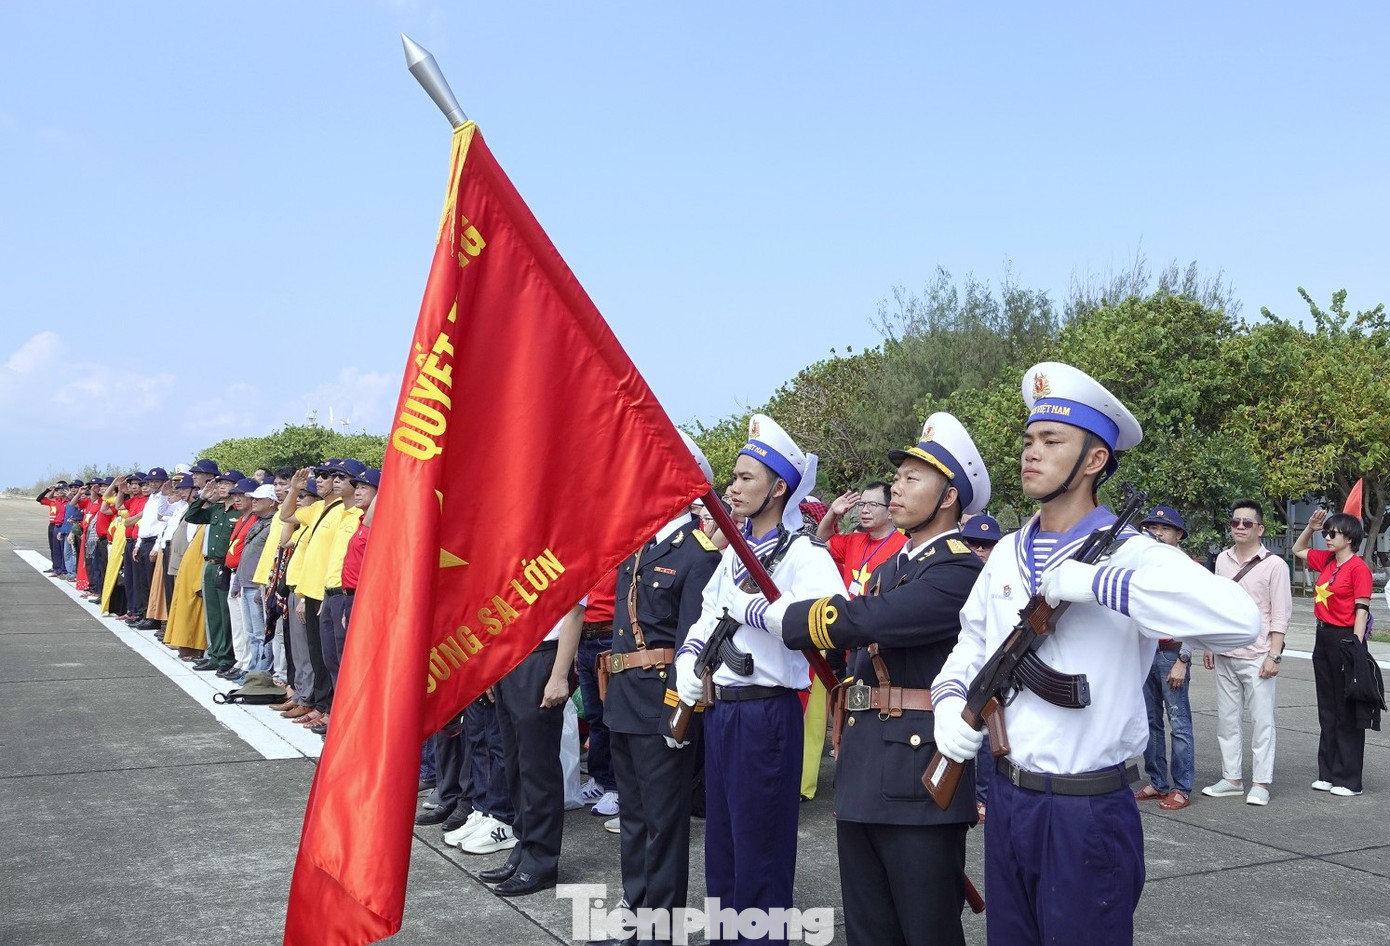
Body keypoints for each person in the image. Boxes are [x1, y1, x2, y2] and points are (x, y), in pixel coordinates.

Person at [931, 362, 1260, 946]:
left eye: (1052, 440)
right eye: (1029, 439)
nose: (1032, 452)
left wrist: (1101, 584)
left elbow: (1240, 621)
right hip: (1008, 802)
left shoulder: (1132, 553)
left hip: (1085, 813)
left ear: (1093, 460)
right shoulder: (1007, 551)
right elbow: (972, 644)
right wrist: (950, 702)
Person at [737, 412, 990, 946]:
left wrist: (782, 615)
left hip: (920, 772)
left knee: (927, 930)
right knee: (869, 929)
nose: (896, 487)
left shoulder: (959, 570)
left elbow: (869, 622)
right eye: (897, 477)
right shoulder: (889, 570)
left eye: (912, 478)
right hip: (867, 767)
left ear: (949, 497)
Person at [673, 413, 843, 944]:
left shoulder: (803, 553)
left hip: (767, 712)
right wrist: (689, 662)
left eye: (747, 477)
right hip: (723, 709)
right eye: (735, 476)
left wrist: (755, 612)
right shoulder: (734, 557)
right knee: (721, 848)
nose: (734, 487)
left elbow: (830, 616)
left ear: (778, 488)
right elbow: (705, 616)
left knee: (761, 851)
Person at [588, 434, 722, 946]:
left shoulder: (696, 554)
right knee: (636, 815)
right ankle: (635, 902)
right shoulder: (637, 546)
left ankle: (660, 924)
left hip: (662, 704)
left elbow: (694, 645)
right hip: (622, 698)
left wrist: (679, 711)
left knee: (665, 822)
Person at [480, 602, 584, 897]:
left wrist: (560, 674)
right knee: (515, 764)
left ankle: (541, 859)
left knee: (538, 768)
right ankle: (524, 843)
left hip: (541, 655)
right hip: (507, 656)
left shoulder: (557, 554)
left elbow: (574, 610)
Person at [1201, 499, 1292, 807]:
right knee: (1227, 720)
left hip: (1257, 655)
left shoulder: (1274, 565)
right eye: (1235, 522)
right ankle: (1232, 778)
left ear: (1260, 528)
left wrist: (1274, 654)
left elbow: (1281, 613)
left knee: (1262, 721)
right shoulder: (1222, 561)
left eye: (1247, 523)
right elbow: (1217, 607)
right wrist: (1211, 645)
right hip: (1226, 651)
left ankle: (1262, 782)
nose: (1240, 527)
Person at [1293, 508, 1373, 797]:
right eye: (1326, 532)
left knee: (1346, 710)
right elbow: (1297, 549)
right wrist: (1311, 528)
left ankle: (1349, 779)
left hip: (1345, 638)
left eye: (1332, 533)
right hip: (1322, 635)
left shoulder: (1358, 568)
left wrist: (1355, 646)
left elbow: (1361, 610)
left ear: (1349, 537)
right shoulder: (1327, 560)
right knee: (1327, 708)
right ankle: (1327, 773)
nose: (1326, 537)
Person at [1131, 506, 1196, 811]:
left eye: (1164, 529)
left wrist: (1184, 659)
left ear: (1178, 535)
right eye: (1151, 528)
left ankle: (1182, 787)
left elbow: (1197, 618)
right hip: (1145, 652)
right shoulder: (1142, 567)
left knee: (1179, 723)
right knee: (1150, 721)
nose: (1156, 533)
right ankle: (1158, 781)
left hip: (1172, 654)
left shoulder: (1187, 568)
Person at [959, 513, 1001, 823]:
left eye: (985, 546)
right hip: (960, 668)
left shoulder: (1001, 581)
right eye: (971, 545)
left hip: (994, 670)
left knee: (988, 736)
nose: (978, 552)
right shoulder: (952, 577)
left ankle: (984, 797)